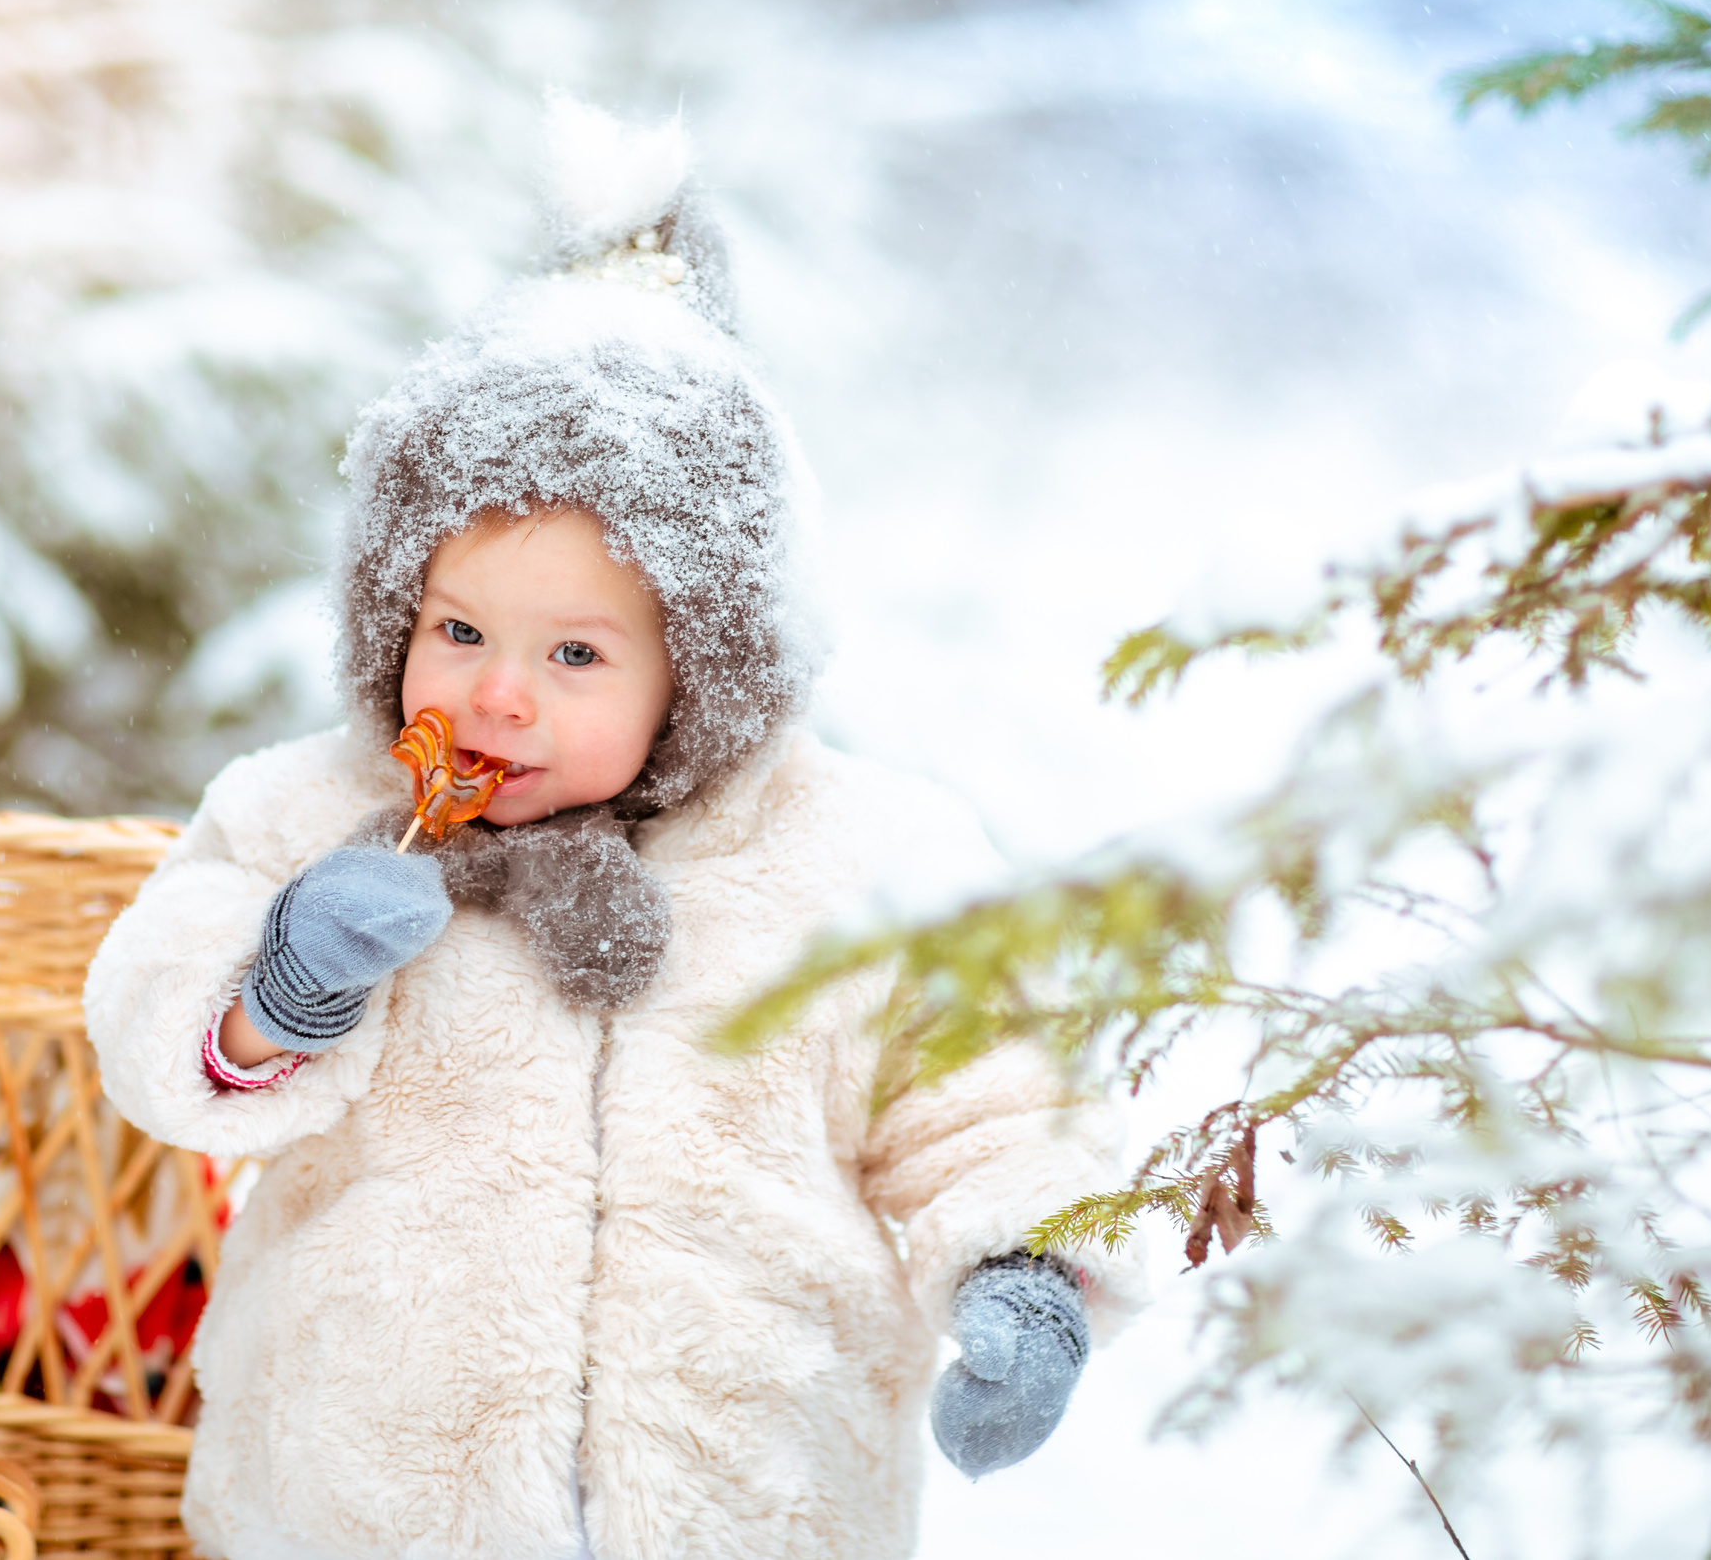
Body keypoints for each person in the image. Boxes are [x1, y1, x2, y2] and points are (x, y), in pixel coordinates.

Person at [85, 99, 1142, 1560]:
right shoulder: (317, 821)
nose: (497, 695)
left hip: (751, 1503)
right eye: (456, 630)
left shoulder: (858, 864)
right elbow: (155, 1035)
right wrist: (284, 989)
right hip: (361, 1504)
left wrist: (1026, 1278)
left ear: (705, 664)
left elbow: (994, 1099)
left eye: (576, 656)